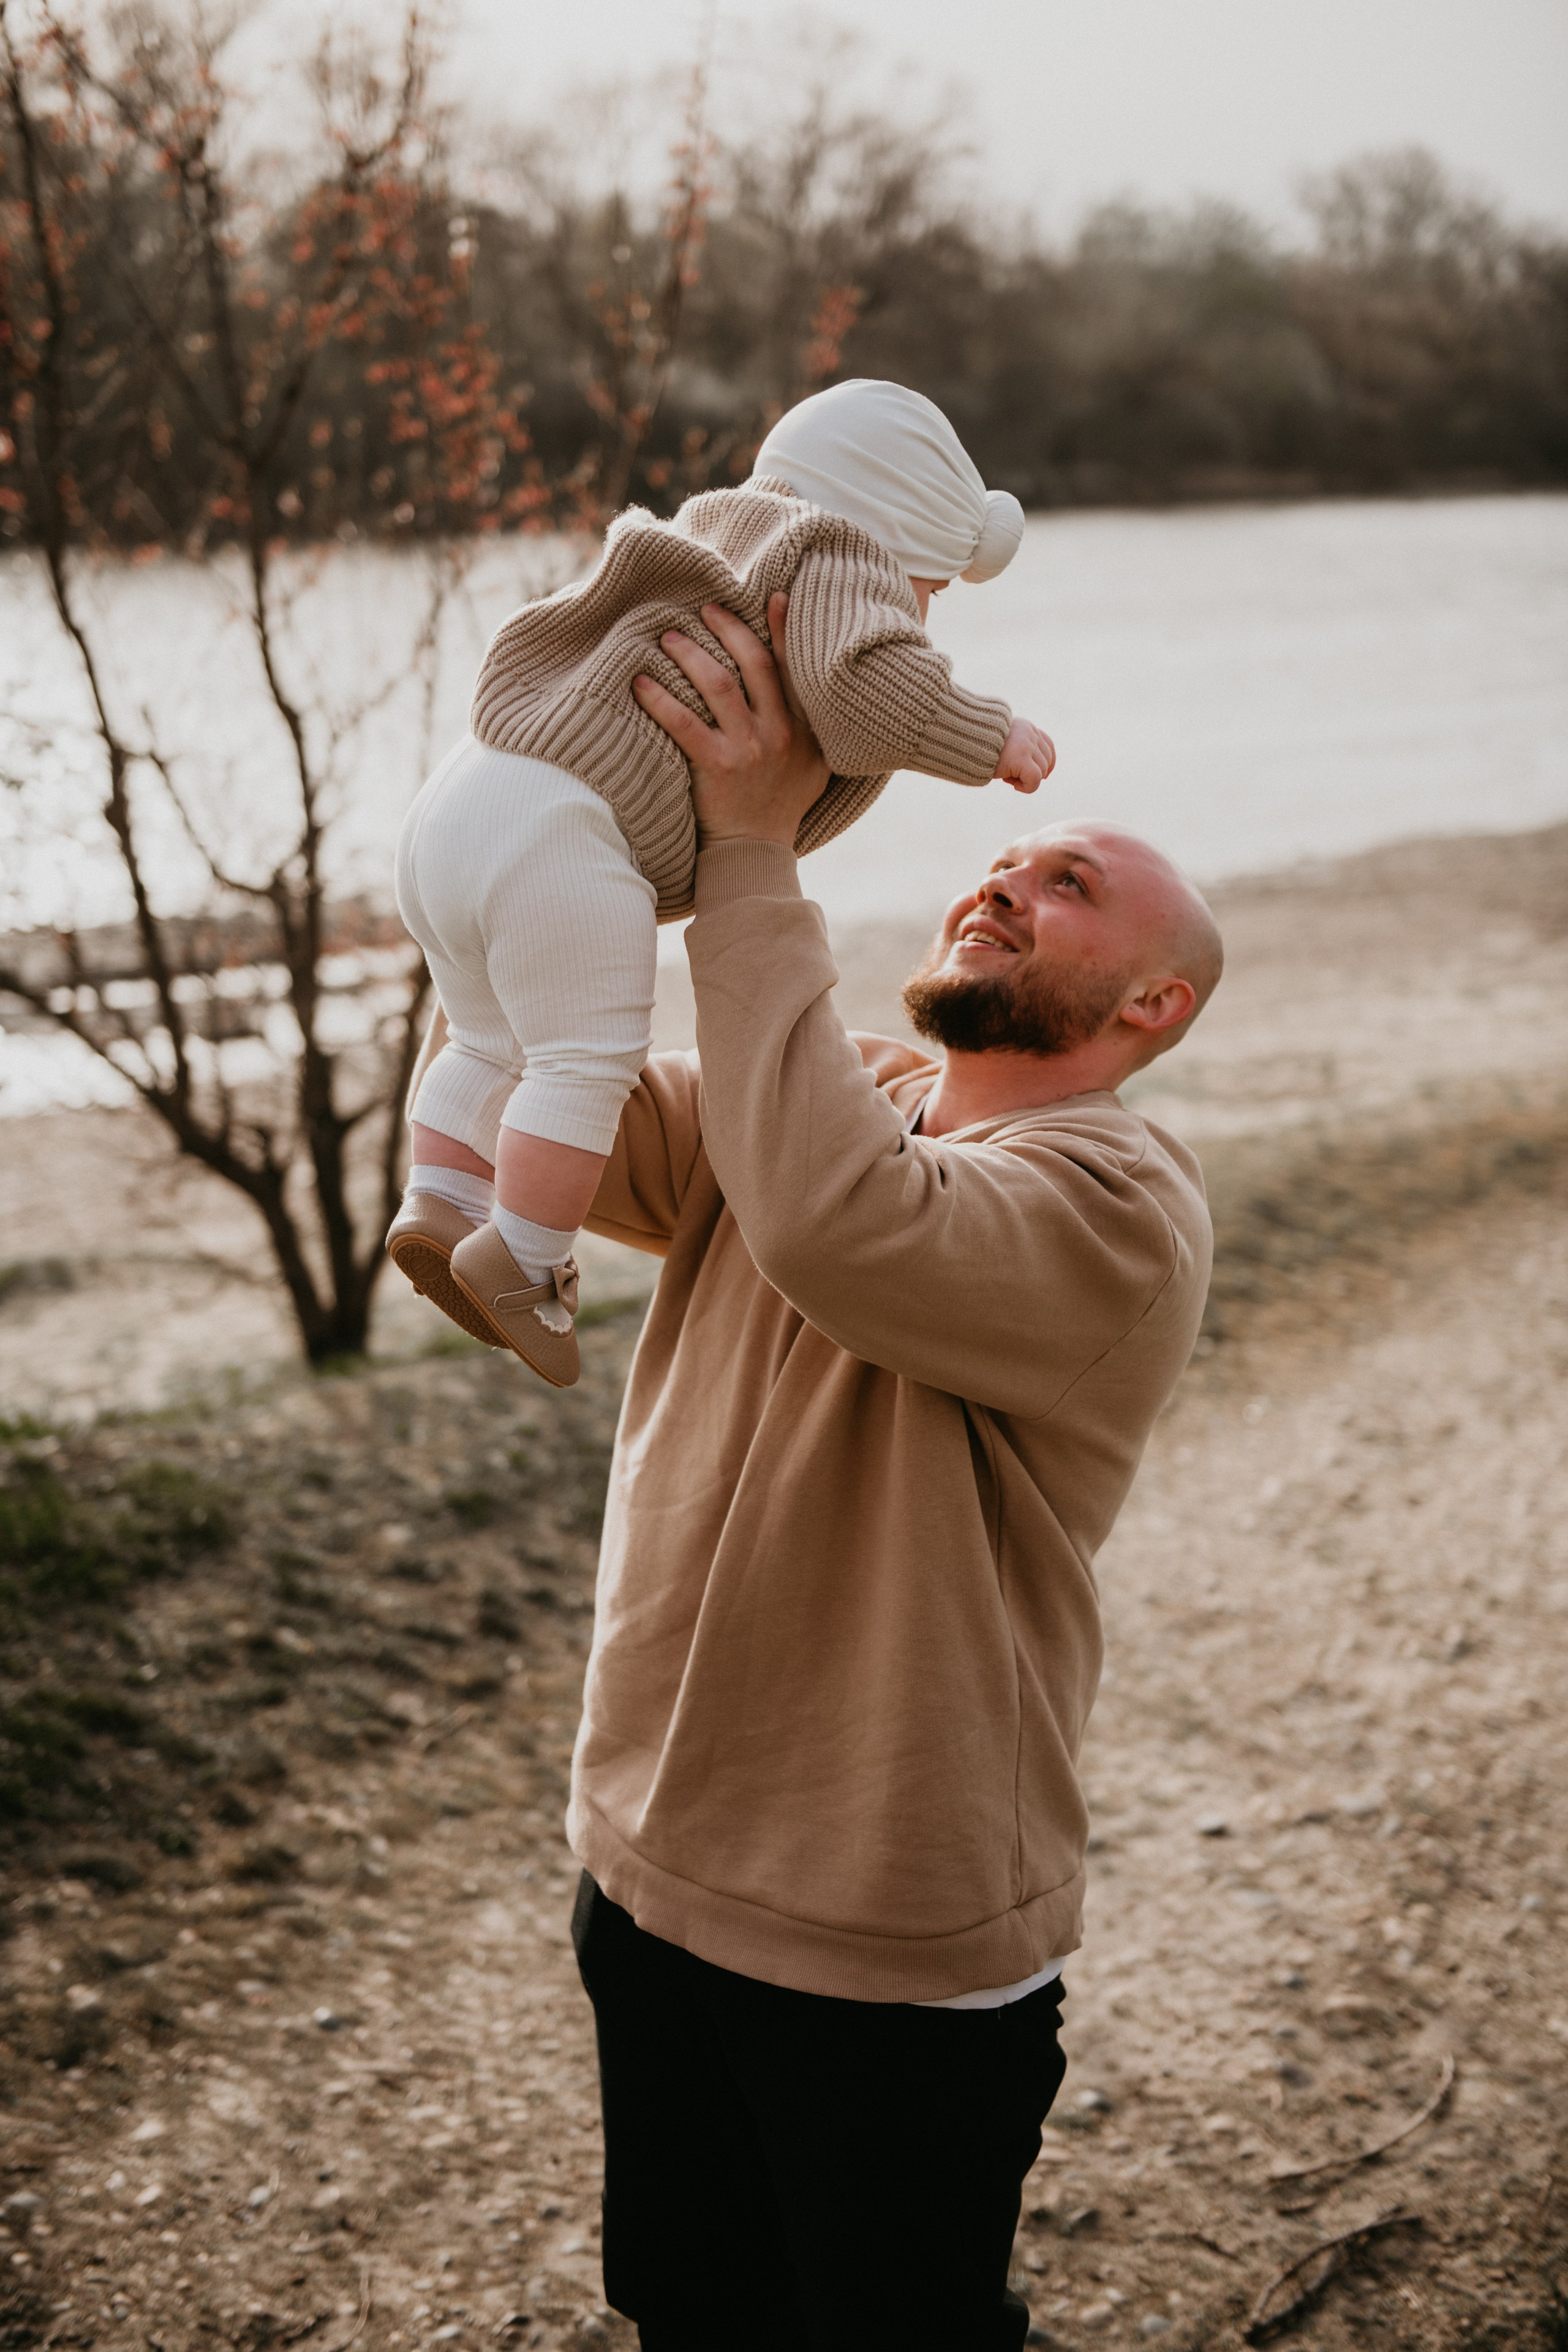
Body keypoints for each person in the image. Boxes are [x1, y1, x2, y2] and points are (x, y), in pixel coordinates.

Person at [560, 603, 1222, 2350]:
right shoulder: (842, 1086)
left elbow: (840, 1229)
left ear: (1154, 1003)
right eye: (1000, 863)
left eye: (1066, 882)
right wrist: (555, 836)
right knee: (691, 2309)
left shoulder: (1121, 1208)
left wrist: (758, 843)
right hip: (648, 1867)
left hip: (884, 1938)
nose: (1001, 884)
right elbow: (553, 1123)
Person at [386, 379, 1057, 1387]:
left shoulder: (720, 530)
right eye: (935, 589)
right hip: (568, 832)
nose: (923, 612)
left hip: (463, 799)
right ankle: (523, 1261)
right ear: (901, 525)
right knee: (583, 1056)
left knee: (492, 1034)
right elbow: (867, 687)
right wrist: (987, 733)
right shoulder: (837, 558)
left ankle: (442, 1199)